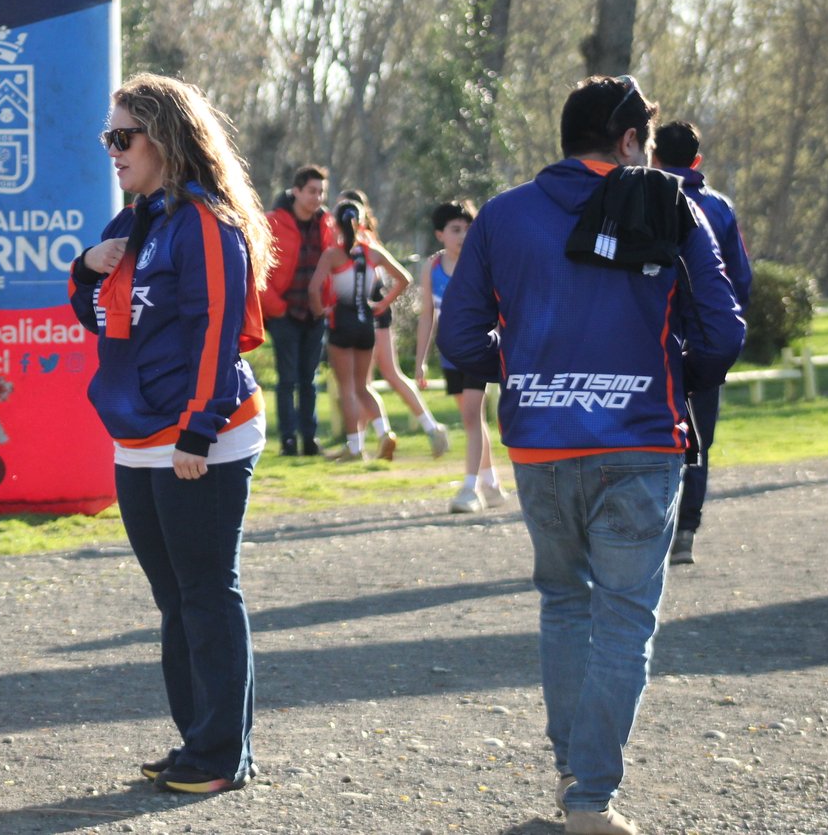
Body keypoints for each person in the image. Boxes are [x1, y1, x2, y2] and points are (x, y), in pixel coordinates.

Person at [438, 75, 744, 835]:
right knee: (623, 618)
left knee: (564, 604)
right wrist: (677, 373)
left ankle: (573, 773)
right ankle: (589, 800)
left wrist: (528, 369)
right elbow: (725, 330)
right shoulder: (676, 203)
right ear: (630, 138)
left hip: (541, 442)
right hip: (641, 438)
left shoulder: (503, 214)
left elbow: (458, 340)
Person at [70, 73, 268, 793]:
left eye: (124, 136)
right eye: (108, 137)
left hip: (203, 436)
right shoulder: (130, 220)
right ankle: (198, 740)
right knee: (175, 597)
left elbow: (220, 334)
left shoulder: (206, 222)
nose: (113, 150)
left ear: (166, 138)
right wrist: (81, 269)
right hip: (139, 435)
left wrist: (198, 431)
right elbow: (99, 318)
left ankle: (222, 754)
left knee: (208, 591)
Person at [652, 120, 753, 564]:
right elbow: (739, 278)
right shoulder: (718, 207)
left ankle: (650, 525)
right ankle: (686, 529)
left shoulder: (643, 202)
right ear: (698, 160)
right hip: (703, 340)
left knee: (650, 433)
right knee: (698, 438)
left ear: (653, 157)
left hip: (653, 338)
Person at [416, 199, 508, 513]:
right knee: (472, 419)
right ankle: (491, 481)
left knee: (471, 415)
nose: (463, 235)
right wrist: (420, 361)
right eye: (456, 229)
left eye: (468, 228)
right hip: (449, 354)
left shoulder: (483, 263)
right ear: (440, 234)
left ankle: (470, 488)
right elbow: (427, 315)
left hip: (479, 350)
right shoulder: (433, 267)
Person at [307, 194, 413, 462]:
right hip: (367, 320)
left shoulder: (333, 254)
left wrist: (321, 310)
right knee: (363, 386)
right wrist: (382, 303)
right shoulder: (373, 252)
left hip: (342, 319)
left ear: (336, 224)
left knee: (347, 388)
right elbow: (404, 278)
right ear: (360, 222)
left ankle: (355, 447)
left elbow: (313, 288)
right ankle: (384, 432)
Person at [262, 166, 334, 456]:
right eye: (312, 191)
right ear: (297, 191)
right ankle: (288, 440)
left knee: (309, 380)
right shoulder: (274, 223)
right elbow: (258, 271)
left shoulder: (326, 224)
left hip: (314, 314)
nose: (317, 197)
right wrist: (276, 308)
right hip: (285, 314)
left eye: (321, 192)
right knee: (287, 379)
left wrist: (326, 306)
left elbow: (333, 264)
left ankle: (310, 439)